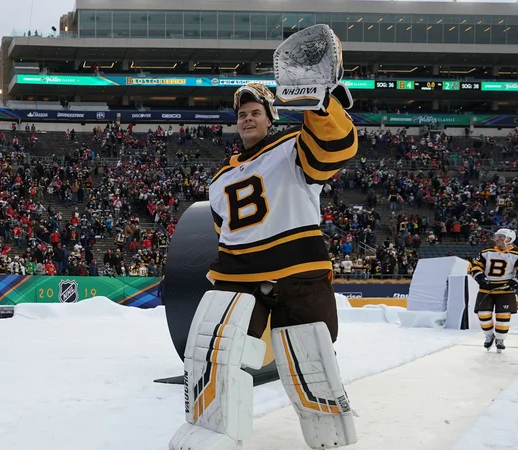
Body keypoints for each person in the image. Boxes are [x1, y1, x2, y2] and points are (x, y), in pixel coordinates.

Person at [171, 25, 358, 450]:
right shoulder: (219, 178)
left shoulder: (294, 146)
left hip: (297, 268)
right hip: (238, 275)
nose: (248, 118)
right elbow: (223, 230)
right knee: (212, 353)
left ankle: (330, 433)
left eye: (256, 112)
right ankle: (211, 432)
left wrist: (321, 104)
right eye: (241, 114)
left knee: (311, 356)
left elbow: (338, 148)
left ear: (271, 117)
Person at [469, 228, 518, 353]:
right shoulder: (486, 252)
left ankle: (500, 339)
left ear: (510, 239)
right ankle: (489, 335)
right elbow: (475, 266)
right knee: (483, 314)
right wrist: (480, 277)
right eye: (497, 236)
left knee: (503, 316)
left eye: (501, 237)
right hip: (486, 288)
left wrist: (515, 283)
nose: (497, 239)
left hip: (505, 290)